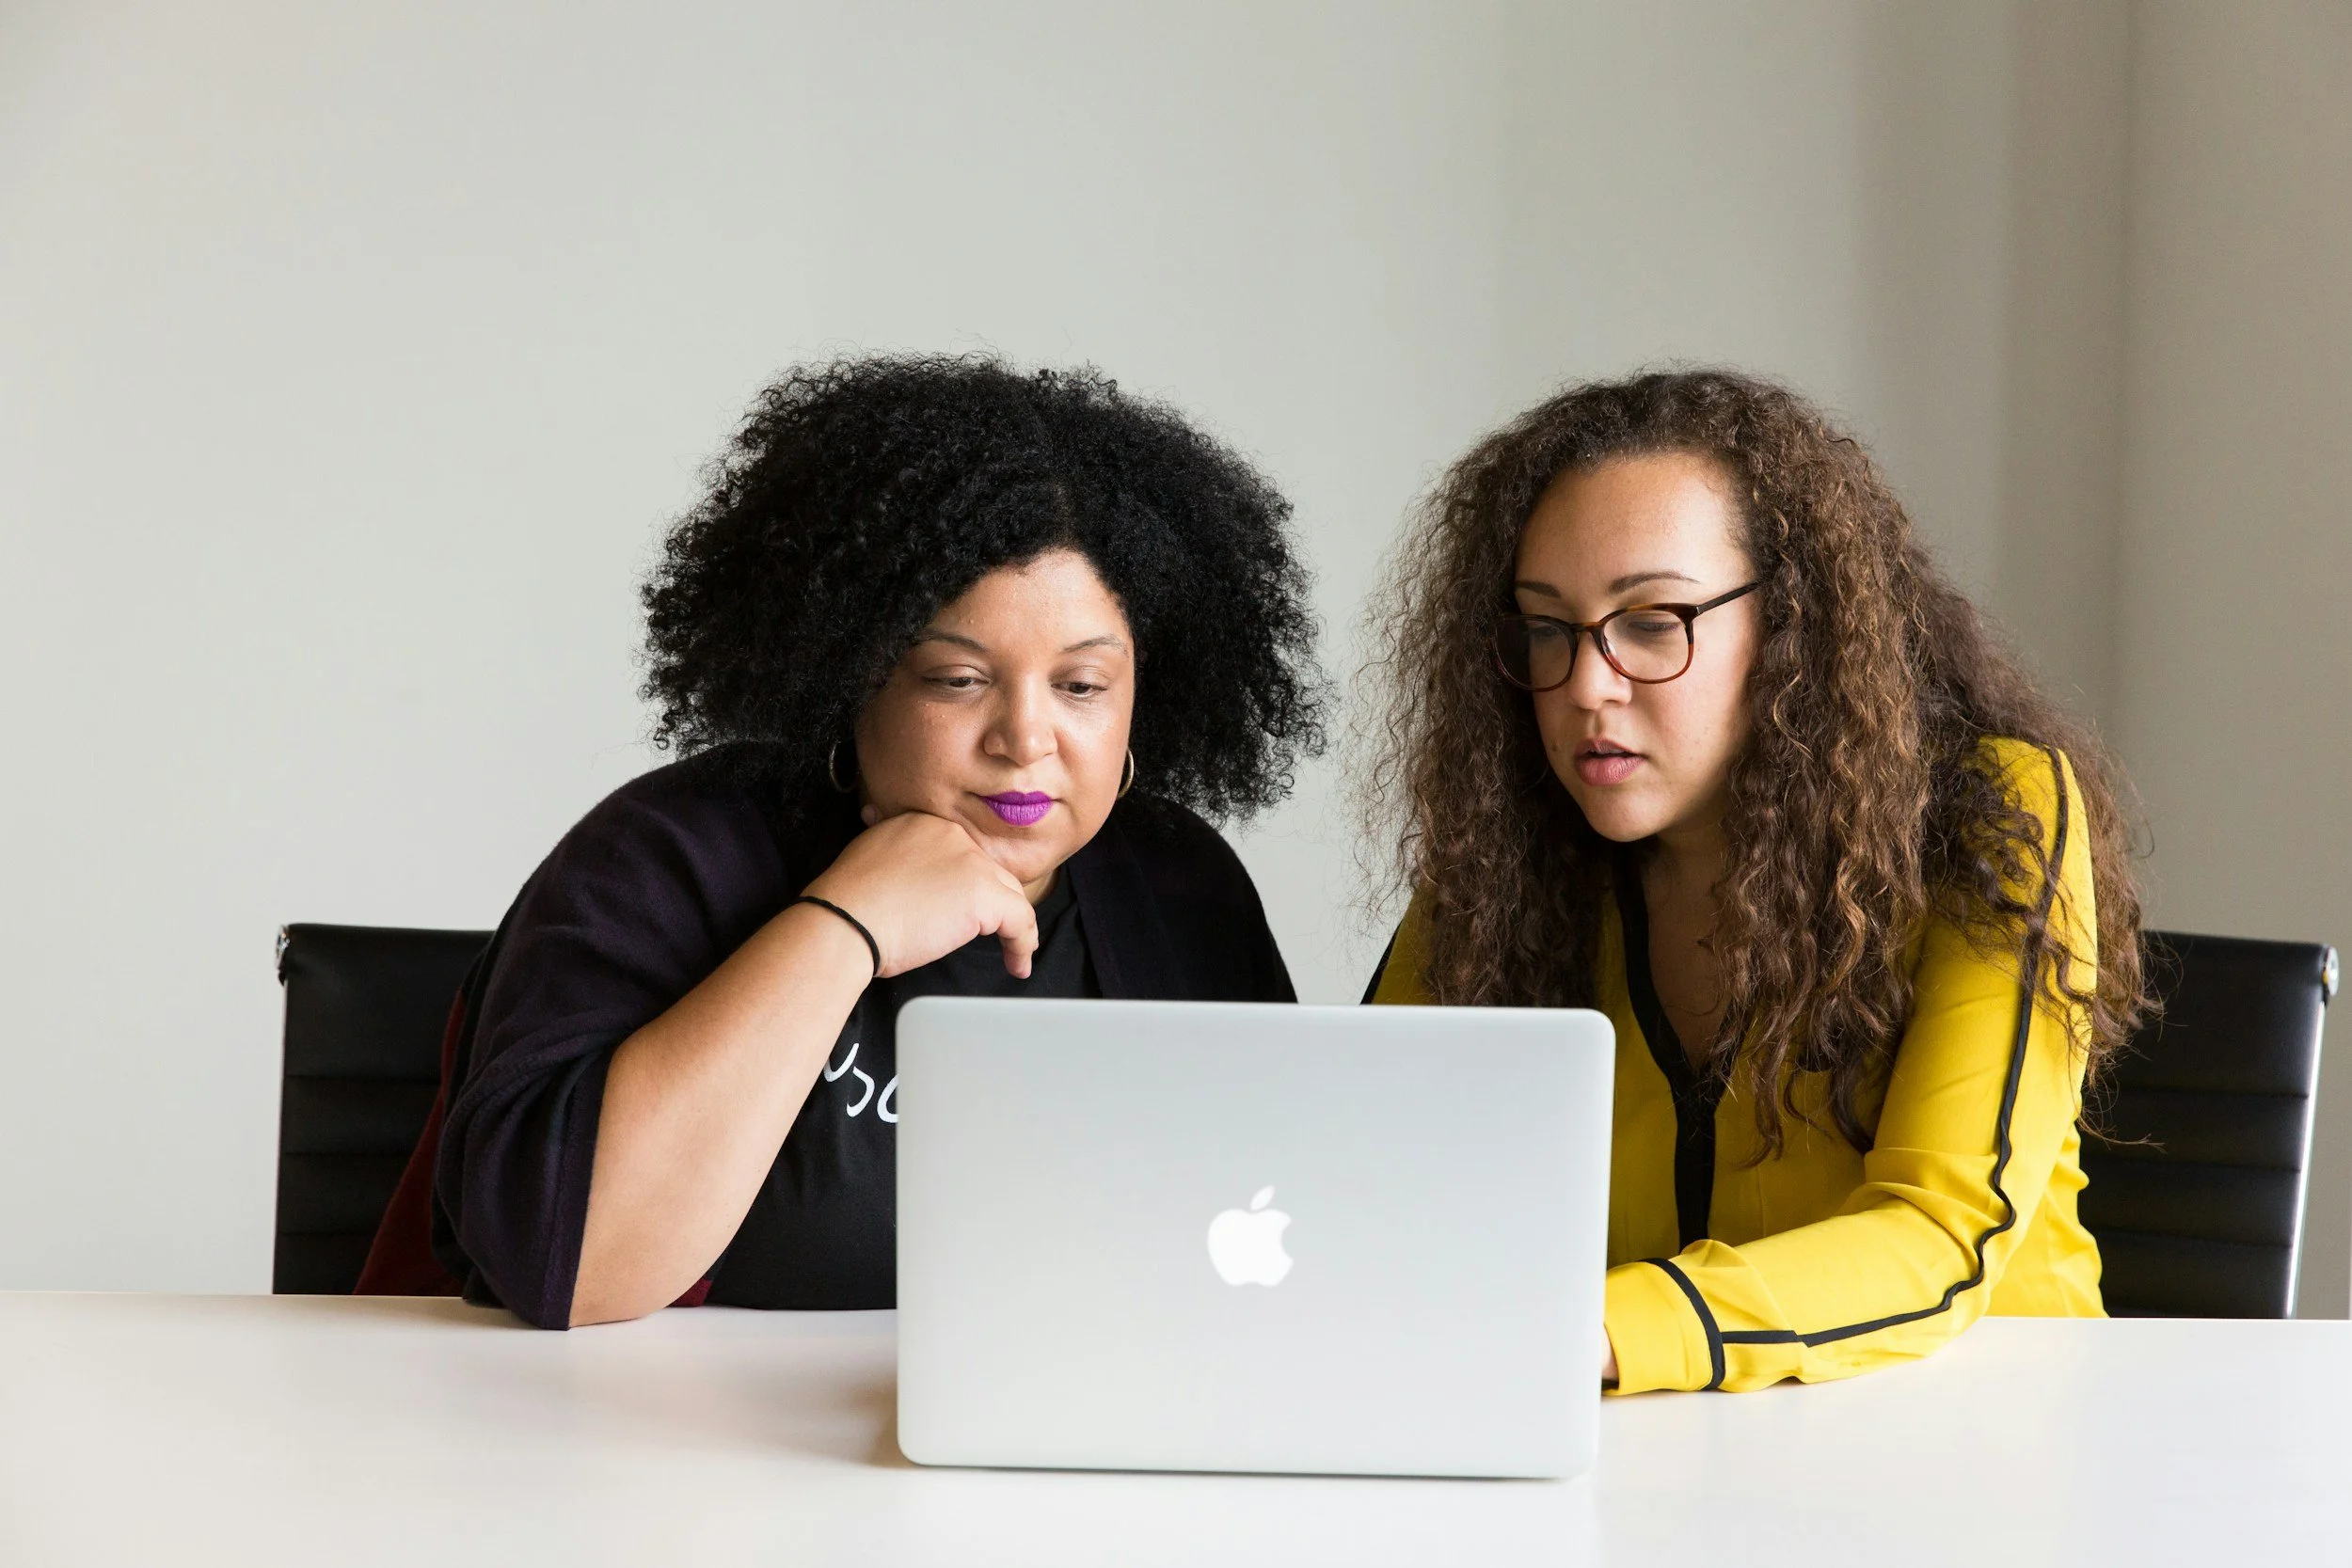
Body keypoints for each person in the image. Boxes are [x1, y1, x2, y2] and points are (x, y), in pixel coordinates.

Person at [358, 356, 1323, 1327]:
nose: (1025, 738)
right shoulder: (668, 856)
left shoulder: (1176, 885)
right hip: (629, 1452)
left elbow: (1291, 1228)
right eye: (957, 678)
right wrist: (845, 922)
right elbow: (567, 1269)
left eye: (1080, 686)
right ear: (850, 673)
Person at [1360, 369, 2148, 1393]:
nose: (1585, 684)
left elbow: (1937, 1234)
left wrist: (1588, 1330)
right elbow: (1364, 1159)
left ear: (1791, 629)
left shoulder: (1990, 817)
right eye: (1546, 629)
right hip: (1630, 1456)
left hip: (1981, 1450)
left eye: (1651, 622)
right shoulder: (1511, 852)